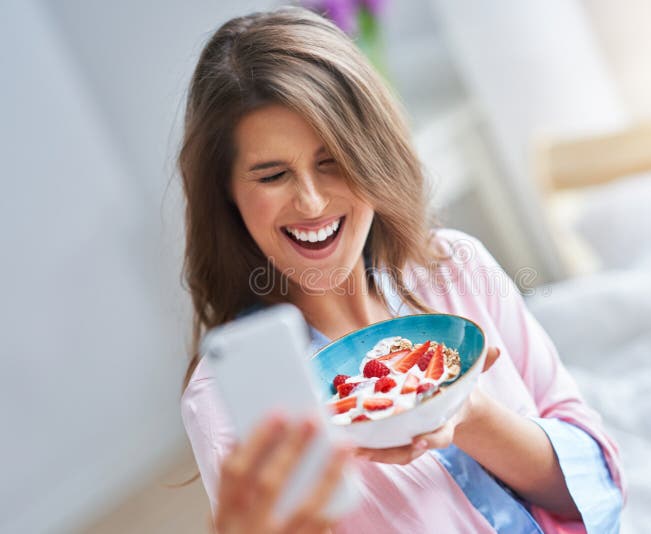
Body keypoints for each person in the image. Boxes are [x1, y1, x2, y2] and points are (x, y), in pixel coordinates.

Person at [179, 7, 625, 533]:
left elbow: (596, 490)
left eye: (333, 160)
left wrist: (469, 416)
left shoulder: (456, 267)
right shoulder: (226, 397)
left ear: (372, 153)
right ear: (227, 195)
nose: (312, 200)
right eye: (273, 175)